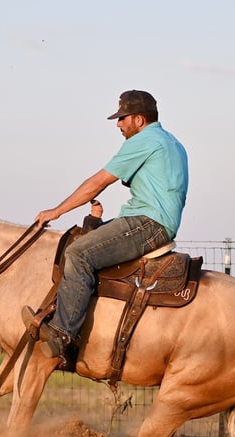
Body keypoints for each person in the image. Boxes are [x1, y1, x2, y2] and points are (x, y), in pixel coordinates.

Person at [24, 90, 189, 361]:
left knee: (78, 253)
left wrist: (57, 211)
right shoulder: (173, 143)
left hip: (147, 222)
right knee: (85, 237)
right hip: (156, 220)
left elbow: (98, 182)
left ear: (139, 119)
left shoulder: (144, 140)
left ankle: (62, 334)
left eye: (122, 118)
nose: (118, 124)